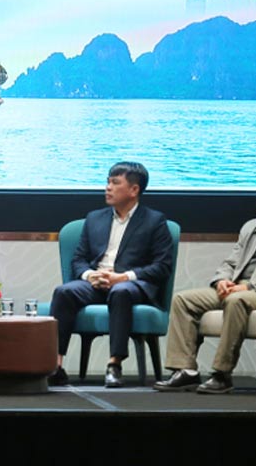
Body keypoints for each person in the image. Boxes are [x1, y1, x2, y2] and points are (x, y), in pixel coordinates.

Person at [154, 168, 256, 394]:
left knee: (236, 300)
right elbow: (231, 261)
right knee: (184, 300)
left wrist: (248, 286)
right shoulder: (253, 225)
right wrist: (222, 280)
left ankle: (222, 374)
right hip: (239, 288)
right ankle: (185, 371)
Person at [48, 161, 174, 388]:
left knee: (120, 291)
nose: (108, 187)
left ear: (134, 190)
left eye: (115, 183)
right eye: (107, 182)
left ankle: (114, 364)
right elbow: (78, 259)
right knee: (64, 292)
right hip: (96, 282)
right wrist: (89, 275)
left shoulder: (155, 221)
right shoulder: (95, 218)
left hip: (131, 285)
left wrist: (124, 276)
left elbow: (162, 266)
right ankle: (55, 366)